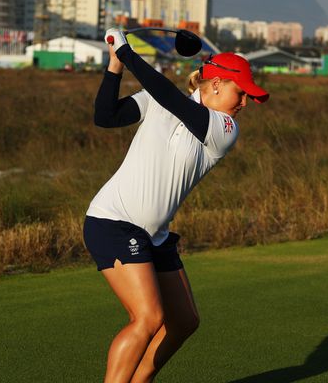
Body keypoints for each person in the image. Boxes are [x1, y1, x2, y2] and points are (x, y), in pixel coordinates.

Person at [84, 28, 269, 382]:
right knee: (149, 319)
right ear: (215, 84)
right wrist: (114, 65)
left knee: (184, 321)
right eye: (241, 93)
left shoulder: (225, 127)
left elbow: (172, 98)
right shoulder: (160, 100)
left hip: (153, 234)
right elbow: (105, 116)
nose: (244, 103)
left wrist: (128, 53)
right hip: (113, 221)